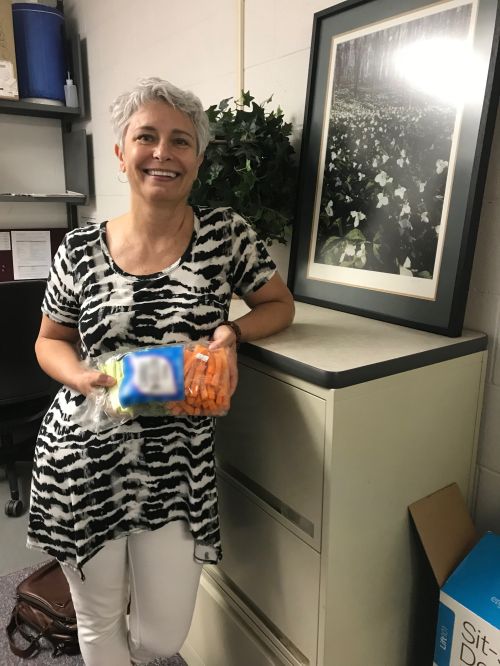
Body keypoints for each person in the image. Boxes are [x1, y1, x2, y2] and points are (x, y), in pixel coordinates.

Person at [27, 76, 295, 666]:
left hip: (177, 463)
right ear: (121, 153)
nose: (163, 153)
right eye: (146, 137)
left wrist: (231, 331)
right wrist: (79, 377)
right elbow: (50, 341)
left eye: (180, 141)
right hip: (84, 454)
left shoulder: (225, 236)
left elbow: (280, 304)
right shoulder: (77, 249)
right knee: (98, 623)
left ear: (197, 159)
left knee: (162, 637)